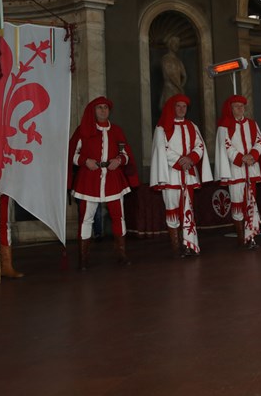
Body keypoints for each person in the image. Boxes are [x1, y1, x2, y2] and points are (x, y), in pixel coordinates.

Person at [69, 96, 139, 270]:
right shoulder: (83, 130)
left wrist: (120, 160)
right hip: (89, 180)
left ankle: (121, 253)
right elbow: (71, 154)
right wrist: (85, 161)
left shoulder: (116, 131)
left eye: (105, 108)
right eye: (99, 107)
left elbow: (126, 153)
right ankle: (83, 258)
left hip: (113, 179)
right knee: (86, 219)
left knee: (118, 216)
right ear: (94, 110)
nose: (103, 110)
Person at [150, 93, 212, 257]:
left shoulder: (192, 126)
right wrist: (180, 161)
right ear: (172, 107)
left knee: (187, 209)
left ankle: (189, 244)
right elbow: (162, 149)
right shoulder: (162, 127)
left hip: (188, 174)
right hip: (170, 175)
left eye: (184, 106)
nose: (181, 109)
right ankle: (177, 246)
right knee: (172, 210)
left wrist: (190, 159)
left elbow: (199, 145)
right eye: (178, 106)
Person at [214, 95, 261, 249]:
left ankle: (251, 237)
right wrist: (241, 158)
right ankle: (241, 238)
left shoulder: (252, 124)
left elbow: (259, 142)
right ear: (230, 109)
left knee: (251, 202)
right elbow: (226, 145)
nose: (240, 109)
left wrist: (252, 155)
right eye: (236, 106)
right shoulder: (224, 126)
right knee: (237, 204)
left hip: (251, 169)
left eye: (242, 106)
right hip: (235, 170)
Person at [160, 36, 187, 107]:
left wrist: (181, 86)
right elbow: (169, 75)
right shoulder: (165, 59)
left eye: (177, 44)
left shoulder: (178, 61)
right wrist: (180, 87)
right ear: (170, 44)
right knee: (169, 109)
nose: (176, 46)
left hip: (178, 90)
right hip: (169, 89)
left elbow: (184, 76)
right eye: (174, 43)